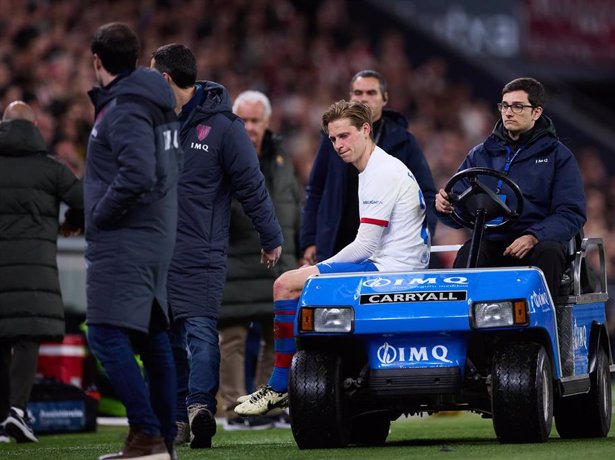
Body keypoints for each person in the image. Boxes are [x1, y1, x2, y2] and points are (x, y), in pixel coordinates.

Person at [235, 100, 430, 416]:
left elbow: (364, 248)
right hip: (393, 264)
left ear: (365, 130)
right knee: (301, 282)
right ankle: (294, 379)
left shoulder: (381, 172)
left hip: (388, 271)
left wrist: (317, 267)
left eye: (345, 136)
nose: (339, 145)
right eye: (333, 139)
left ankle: (281, 383)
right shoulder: (375, 167)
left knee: (286, 284)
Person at [150, 44, 283, 448]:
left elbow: (251, 185)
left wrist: (271, 235)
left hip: (200, 250)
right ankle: (182, 416)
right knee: (168, 336)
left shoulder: (224, 127)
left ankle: (196, 408)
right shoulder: (152, 123)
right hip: (156, 254)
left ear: (167, 78)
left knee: (200, 330)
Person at [84, 23, 181, 460]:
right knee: (152, 338)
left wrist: (98, 216)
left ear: (97, 61)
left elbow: (137, 174)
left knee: (105, 334)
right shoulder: (155, 100)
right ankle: (162, 438)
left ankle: (147, 434)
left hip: (127, 237)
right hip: (155, 233)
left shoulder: (123, 107)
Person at [434, 77, 586, 298]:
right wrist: (445, 207)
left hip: (537, 243)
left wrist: (534, 236)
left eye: (517, 106)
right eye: (504, 105)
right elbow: (459, 204)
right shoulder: (481, 153)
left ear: (536, 112)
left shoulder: (557, 156)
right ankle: (465, 325)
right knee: (469, 253)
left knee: (549, 253)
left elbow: (571, 213)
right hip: (492, 240)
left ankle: (536, 328)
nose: (508, 112)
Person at [0, 101, 83, 443]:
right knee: (26, 337)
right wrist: (70, 224)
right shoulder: (51, 168)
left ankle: (3, 415)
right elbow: (85, 200)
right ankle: (17, 411)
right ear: (35, 128)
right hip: (35, 271)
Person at [218, 90, 301, 430]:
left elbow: (292, 205)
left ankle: (267, 404)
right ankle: (232, 406)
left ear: (267, 123)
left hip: (278, 262)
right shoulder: (220, 154)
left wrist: (298, 248)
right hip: (234, 260)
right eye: (244, 120)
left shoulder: (282, 157)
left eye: (255, 120)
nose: (249, 127)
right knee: (233, 338)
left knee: (276, 335)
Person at [301, 69, 436, 265]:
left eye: (371, 93)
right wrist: (309, 240)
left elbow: (426, 194)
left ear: (385, 98)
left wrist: (418, 239)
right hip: (335, 241)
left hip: (381, 251)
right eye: (358, 93)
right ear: (350, 97)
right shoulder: (332, 139)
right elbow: (315, 190)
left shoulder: (404, 141)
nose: (363, 98)